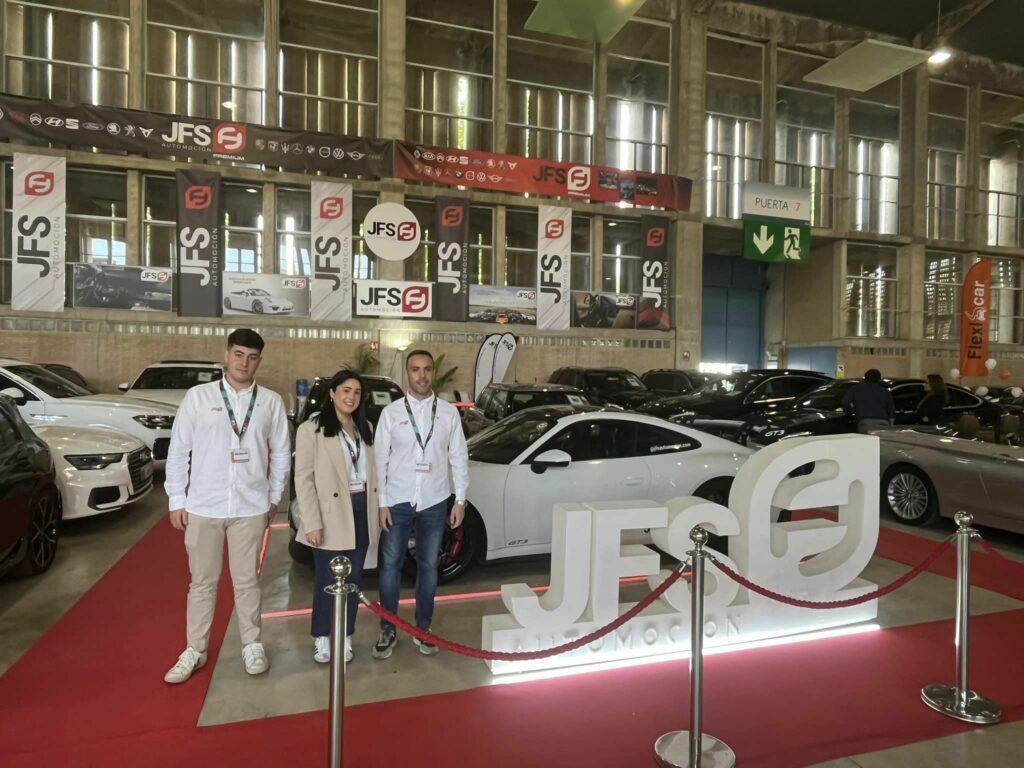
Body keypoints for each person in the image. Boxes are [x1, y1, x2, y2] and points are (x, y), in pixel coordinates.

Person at [163, 328, 291, 684]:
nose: (244, 362)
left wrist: (274, 497)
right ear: (227, 354)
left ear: (259, 361)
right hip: (204, 505)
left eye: (252, 357)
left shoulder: (270, 402)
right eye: (238, 354)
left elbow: (281, 452)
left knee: (247, 581)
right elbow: (179, 450)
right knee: (202, 583)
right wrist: (177, 499)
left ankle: (252, 643)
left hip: (250, 506)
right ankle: (195, 649)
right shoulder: (199, 397)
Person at [372, 349, 469, 659]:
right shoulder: (391, 413)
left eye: (427, 369)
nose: (422, 375)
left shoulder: (449, 413)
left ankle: (423, 627)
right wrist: (382, 502)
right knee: (390, 565)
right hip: (397, 500)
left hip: (434, 500)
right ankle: (388, 628)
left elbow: (459, 457)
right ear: (407, 373)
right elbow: (380, 460)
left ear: (433, 373)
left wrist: (460, 499)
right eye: (415, 369)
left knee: (428, 565)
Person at [294, 370, 378, 664]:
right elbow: (303, 479)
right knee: (326, 580)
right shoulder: (312, 429)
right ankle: (322, 636)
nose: (351, 397)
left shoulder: (365, 427)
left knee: (353, 580)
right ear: (332, 393)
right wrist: (312, 522)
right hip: (330, 515)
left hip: (361, 510)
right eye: (345, 390)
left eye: (357, 392)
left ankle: (345, 634)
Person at [841, 368, 896, 433]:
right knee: (882, 439)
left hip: (865, 422)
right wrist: (890, 425)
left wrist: (851, 412)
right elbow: (891, 410)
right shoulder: (884, 391)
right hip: (883, 422)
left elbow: (845, 402)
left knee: (867, 439)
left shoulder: (855, 389)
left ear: (865, 377)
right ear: (879, 379)